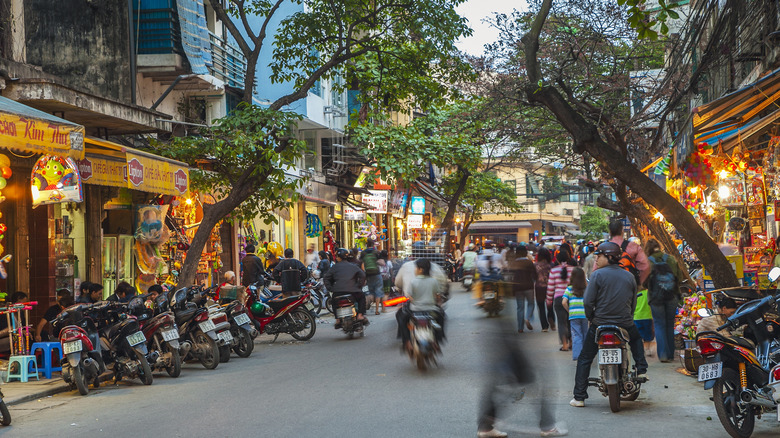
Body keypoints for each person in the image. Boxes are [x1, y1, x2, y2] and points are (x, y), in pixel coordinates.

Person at [570, 242, 648, 408]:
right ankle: (641, 368)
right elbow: (633, 303)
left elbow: (588, 301)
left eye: (599, 256)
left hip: (600, 323)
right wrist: (627, 317)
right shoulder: (629, 276)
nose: (596, 259)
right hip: (625, 323)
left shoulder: (597, 275)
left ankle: (579, 397)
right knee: (635, 340)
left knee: (585, 358)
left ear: (610, 257)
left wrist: (592, 317)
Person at [477, 314, 567, 438]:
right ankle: (547, 426)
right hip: (509, 339)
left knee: (507, 383)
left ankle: (486, 425)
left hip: (505, 336)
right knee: (532, 382)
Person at [396, 258, 446, 353]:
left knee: (400, 316)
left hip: (415, 309)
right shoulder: (433, 281)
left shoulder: (414, 282)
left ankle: (407, 342)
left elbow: (409, 296)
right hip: (431, 309)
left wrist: (415, 301)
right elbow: (437, 296)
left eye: (416, 268)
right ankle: (437, 341)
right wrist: (437, 303)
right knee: (442, 317)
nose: (415, 270)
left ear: (421, 269)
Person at [645, 238, 680, 363]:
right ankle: (671, 353)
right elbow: (678, 278)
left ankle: (663, 354)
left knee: (659, 324)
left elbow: (644, 282)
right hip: (672, 296)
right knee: (670, 324)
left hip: (655, 298)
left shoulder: (647, 262)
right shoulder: (670, 259)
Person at [323, 248, 367, 325]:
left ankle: (337, 319)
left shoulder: (334, 267)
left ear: (338, 257)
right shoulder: (353, 266)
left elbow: (326, 278)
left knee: (334, 301)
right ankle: (360, 315)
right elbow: (363, 275)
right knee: (362, 297)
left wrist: (330, 288)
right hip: (353, 291)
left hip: (338, 292)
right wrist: (359, 285)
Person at [606, 220, 651, 286]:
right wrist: (638, 283)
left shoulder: (604, 248)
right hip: (628, 285)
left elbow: (596, 269)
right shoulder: (633, 246)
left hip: (609, 286)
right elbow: (645, 266)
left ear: (609, 232)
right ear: (622, 231)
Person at [547, 251, 572, 351]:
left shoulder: (554, 271)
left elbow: (550, 288)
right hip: (572, 298)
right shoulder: (574, 270)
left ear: (556, 259)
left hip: (558, 299)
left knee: (561, 322)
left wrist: (549, 301)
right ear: (569, 258)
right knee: (570, 321)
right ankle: (571, 343)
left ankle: (565, 345)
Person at [562, 268, 587, 361]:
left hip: (574, 315)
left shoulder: (569, 289)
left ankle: (577, 355)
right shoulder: (586, 288)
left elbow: (564, 302)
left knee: (577, 335)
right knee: (585, 334)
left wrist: (569, 311)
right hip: (585, 315)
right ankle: (585, 355)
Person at [511, 245, 537, 333]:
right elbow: (535, 275)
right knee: (531, 303)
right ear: (526, 252)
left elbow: (510, 275)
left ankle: (520, 328)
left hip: (518, 287)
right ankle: (528, 318)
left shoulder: (514, 263)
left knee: (520, 307)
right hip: (528, 286)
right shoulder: (529, 262)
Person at [360, 239, 384, 315]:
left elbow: (361, 264)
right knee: (378, 291)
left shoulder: (363, 253)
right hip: (376, 273)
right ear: (373, 244)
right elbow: (381, 262)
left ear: (366, 244)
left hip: (368, 274)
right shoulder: (376, 252)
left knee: (370, 291)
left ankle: (367, 305)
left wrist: (364, 273)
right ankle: (377, 310)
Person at [534, 247, 554, 332]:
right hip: (550, 287)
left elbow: (534, 277)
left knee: (541, 307)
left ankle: (544, 326)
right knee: (550, 306)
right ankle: (552, 321)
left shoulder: (535, 265)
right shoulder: (551, 265)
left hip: (539, 287)